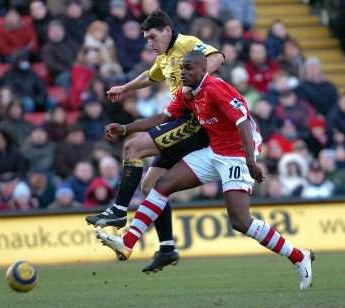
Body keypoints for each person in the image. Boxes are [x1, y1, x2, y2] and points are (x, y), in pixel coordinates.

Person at [95, 51, 314, 290]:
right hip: (214, 151)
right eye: (182, 69)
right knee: (162, 185)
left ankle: (298, 256)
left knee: (240, 221)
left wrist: (251, 163)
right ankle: (127, 241)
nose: (183, 73)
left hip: (238, 154)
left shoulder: (216, 88)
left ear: (202, 70)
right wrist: (126, 129)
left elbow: (243, 122)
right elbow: (162, 117)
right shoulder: (186, 93)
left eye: (188, 68)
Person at [86, 9, 224, 273]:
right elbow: (150, 76)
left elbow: (217, 56)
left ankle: (118, 209)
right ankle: (167, 248)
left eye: (152, 37)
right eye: (146, 39)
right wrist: (124, 88)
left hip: (194, 121)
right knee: (150, 187)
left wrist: (197, 79)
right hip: (179, 120)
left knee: (133, 147)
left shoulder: (185, 43)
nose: (149, 43)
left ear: (167, 30)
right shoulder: (164, 57)